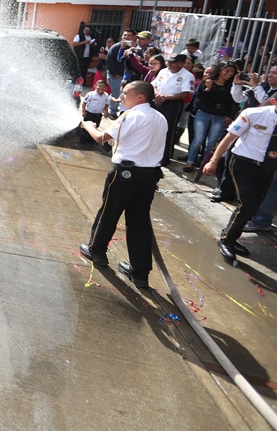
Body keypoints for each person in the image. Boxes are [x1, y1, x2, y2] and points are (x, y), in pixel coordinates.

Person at [78, 81, 167, 289]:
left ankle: (96, 250)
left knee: (109, 212)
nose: (121, 96)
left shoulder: (131, 115)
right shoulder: (160, 118)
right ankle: (140, 272)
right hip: (149, 176)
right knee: (139, 222)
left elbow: (101, 138)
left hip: (126, 174)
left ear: (140, 97)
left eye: (126, 93)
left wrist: (89, 125)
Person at [202, 92, 277, 261]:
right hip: (243, 164)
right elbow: (229, 138)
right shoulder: (254, 114)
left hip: (268, 167)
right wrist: (213, 161)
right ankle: (226, 240)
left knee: (253, 205)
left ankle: (231, 236)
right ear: (274, 101)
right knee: (248, 204)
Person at [184, 62, 237, 173]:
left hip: (220, 116)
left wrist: (231, 116)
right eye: (227, 71)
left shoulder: (232, 86)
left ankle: (205, 164)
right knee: (198, 139)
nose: (230, 74)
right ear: (219, 70)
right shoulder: (208, 81)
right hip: (204, 113)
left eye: (232, 71)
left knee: (212, 142)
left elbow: (234, 103)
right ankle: (190, 162)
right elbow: (199, 99)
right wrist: (207, 89)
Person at [151, 53, 195, 164]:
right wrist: (157, 94)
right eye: (169, 61)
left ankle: (165, 157)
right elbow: (154, 84)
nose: (169, 64)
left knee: (168, 130)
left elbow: (184, 94)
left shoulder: (187, 76)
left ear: (181, 64)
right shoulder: (163, 71)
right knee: (153, 127)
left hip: (173, 103)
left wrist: (165, 97)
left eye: (173, 62)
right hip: (158, 100)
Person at [79, 79, 110, 145]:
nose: (101, 88)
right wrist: (83, 111)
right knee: (86, 128)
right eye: (100, 86)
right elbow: (84, 103)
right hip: (89, 114)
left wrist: (106, 112)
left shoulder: (106, 95)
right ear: (95, 86)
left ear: (106, 88)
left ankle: (91, 141)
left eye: (103, 86)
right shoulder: (90, 94)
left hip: (98, 115)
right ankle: (82, 141)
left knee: (95, 127)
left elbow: (106, 104)